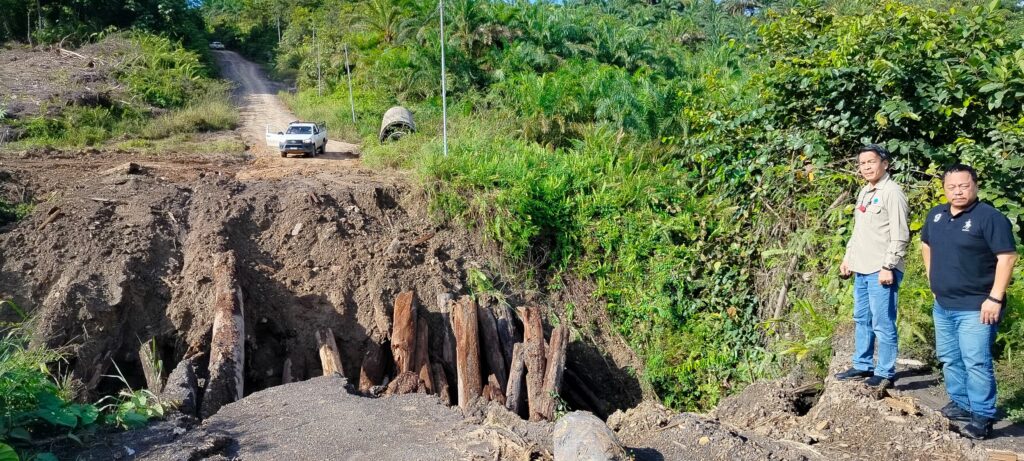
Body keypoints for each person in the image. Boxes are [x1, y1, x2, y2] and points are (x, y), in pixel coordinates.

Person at [921, 164, 1018, 439]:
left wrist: (995, 297)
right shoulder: (936, 215)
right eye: (951, 187)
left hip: (977, 306)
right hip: (943, 304)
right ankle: (961, 403)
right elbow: (926, 244)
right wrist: (932, 279)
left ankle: (982, 415)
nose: (958, 191)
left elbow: (1007, 257)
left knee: (976, 362)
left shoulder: (990, 218)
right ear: (944, 189)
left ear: (975, 185)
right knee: (950, 358)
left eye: (964, 186)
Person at [835, 144, 910, 389]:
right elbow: (858, 232)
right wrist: (848, 258)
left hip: (882, 269)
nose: (866, 167)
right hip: (862, 267)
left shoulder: (892, 192)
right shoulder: (865, 192)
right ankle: (862, 364)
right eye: (862, 163)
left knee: (883, 321)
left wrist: (888, 266)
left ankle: (885, 371)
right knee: (862, 318)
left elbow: (900, 235)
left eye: (871, 162)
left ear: (885, 164)